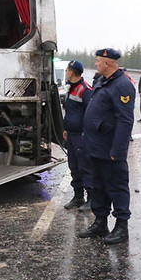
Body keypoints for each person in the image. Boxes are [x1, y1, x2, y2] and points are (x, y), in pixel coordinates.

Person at [78, 48, 135, 245]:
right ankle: (101, 222)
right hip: (96, 146)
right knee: (99, 186)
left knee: (117, 186)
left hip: (109, 148)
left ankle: (121, 226)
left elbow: (125, 120)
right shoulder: (103, 81)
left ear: (107, 63)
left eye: (98, 61)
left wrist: (118, 151)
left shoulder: (122, 84)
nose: (96, 64)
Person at [62, 60, 93, 212]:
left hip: (81, 136)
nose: (66, 73)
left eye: (67, 70)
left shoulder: (84, 90)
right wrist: (66, 128)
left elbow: (90, 114)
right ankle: (78, 196)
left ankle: (91, 198)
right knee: (74, 166)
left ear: (71, 72)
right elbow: (70, 112)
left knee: (84, 167)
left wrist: (85, 133)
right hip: (72, 134)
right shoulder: (71, 88)